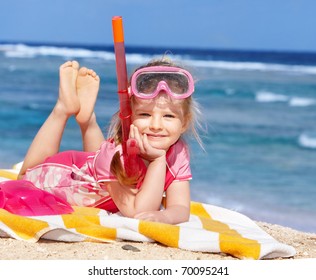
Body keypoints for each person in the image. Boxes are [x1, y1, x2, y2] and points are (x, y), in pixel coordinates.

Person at [18, 58, 202, 224]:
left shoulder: (178, 151)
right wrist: (157, 160)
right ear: (128, 117)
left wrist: (166, 216)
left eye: (168, 116)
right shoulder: (116, 154)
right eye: (145, 114)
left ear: (184, 122)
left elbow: (181, 207)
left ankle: (88, 121)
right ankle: (63, 108)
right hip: (62, 177)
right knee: (24, 177)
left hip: (94, 173)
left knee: (98, 157)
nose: (155, 125)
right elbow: (138, 211)